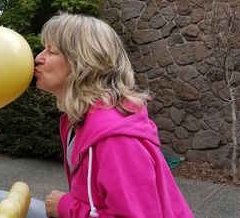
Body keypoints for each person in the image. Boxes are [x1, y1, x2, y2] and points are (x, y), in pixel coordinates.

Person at [34, 13, 194, 218]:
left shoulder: (115, 137)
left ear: (83, 62)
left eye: (52, 50)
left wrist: (67, 207)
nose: (38, 58)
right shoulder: (80, 122)